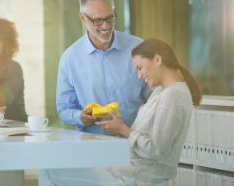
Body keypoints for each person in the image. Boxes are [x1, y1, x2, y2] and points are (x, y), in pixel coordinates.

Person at [40, 38, 202, 186]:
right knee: (53, 169)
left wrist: (123, 129)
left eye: (140, 68)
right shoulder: (162, 92)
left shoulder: (172, 96)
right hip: (127, 171)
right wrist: (117, 122)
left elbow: (157, 150)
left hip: (137, 178)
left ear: (158, 60)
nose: (139, 76)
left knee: (51, 172)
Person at [56, 0, 151, 135]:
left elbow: (154, 96)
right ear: (83, 18)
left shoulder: (138, 48)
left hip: (137, 144)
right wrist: (79, 117)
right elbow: (64, 109)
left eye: (109, 18)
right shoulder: (70, 59)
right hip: (93, 147)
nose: (106, 26)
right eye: (97, 20)